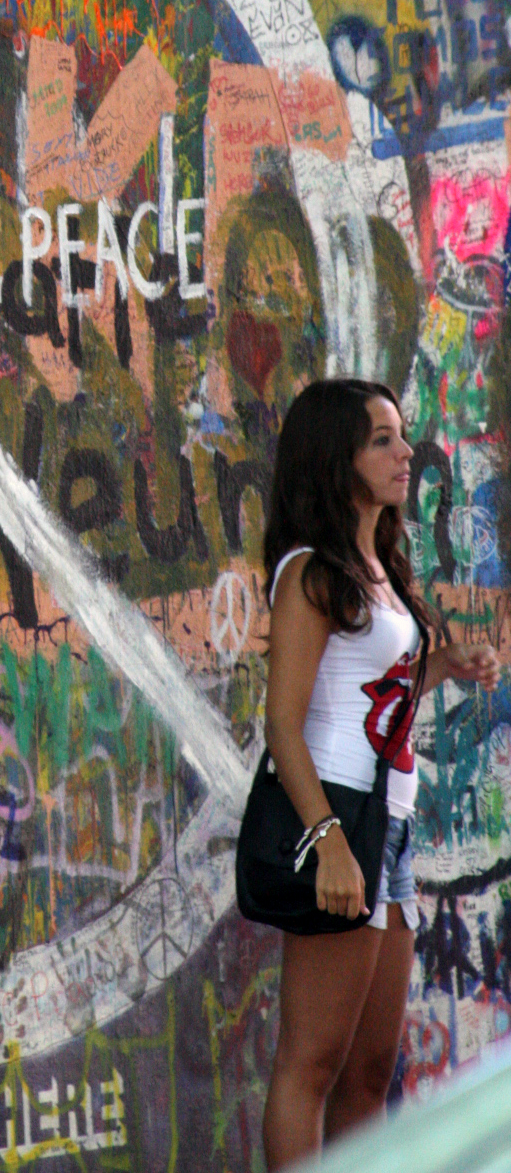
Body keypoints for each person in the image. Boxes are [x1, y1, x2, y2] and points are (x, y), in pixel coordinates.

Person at [260, 378, 499, 1170]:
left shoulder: (375, 563)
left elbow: (374, 690)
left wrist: (444, 666)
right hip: (340, 819)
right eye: (382, 441)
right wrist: (327, 842)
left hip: (388, 827)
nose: (406, 454)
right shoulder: (309, 571)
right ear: (338, 459)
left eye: (402, 436)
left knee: (370, 1071)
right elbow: (285, 725)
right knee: (312, 1065)